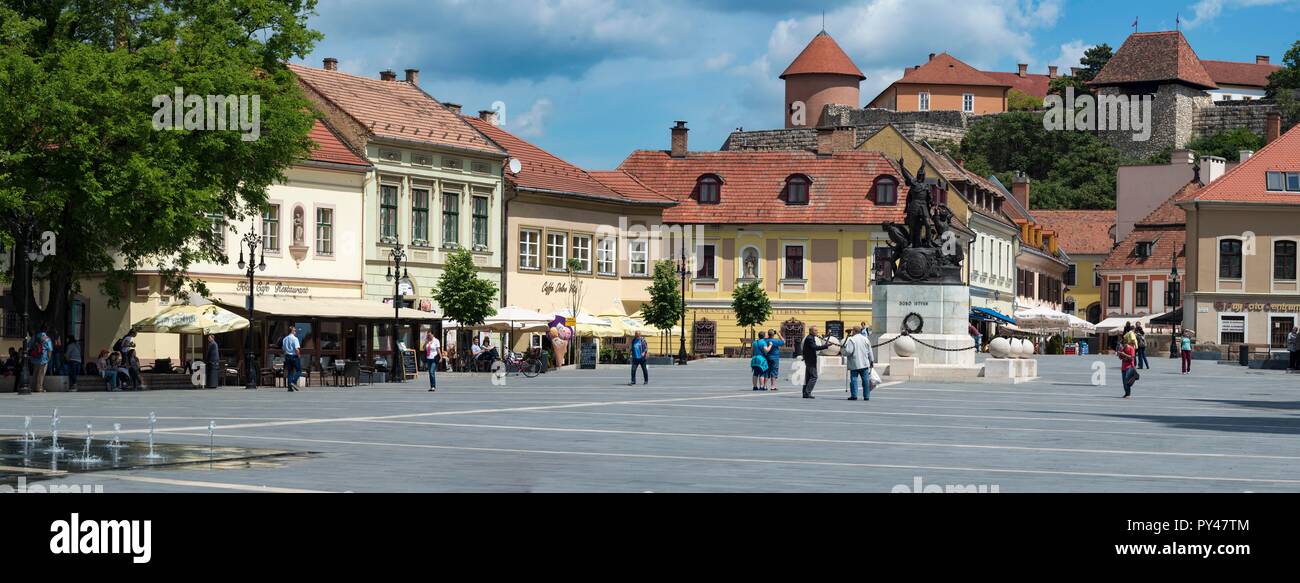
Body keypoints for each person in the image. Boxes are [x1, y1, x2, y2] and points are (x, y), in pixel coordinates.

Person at [843, 326, 875, 401]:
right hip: (864, 363)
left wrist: (844, 351)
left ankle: (854, 395)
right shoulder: (865, 339)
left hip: (854, 363)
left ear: (854, 331)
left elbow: (849, 351)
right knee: (866, 380)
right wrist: (871, 360)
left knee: (854, 379)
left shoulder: (852, 339)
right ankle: (866, 396)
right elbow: (870, 351)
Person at [800, 326, 831, 399]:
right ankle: (807, 393)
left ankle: (805, 393)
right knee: (814, 376)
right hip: (810, 360)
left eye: (817, 330)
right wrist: (825, 346)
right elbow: (815, 347)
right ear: (811, 331)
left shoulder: (810, 337)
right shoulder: (810, 338)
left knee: (808, 377)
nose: (817, 332)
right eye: (815, 330)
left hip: (809, 360)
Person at [282, 326, 302, 392]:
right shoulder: (295, 339)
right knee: (299, 371)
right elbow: (296, 349)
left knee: (290, 372)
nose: (295, 332)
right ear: (292, 331)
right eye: (295, 331)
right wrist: (299, 355)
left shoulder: (285, 339)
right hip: (294, 356)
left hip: (287, 356)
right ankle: (293, 382)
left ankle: (289, 387)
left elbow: (283, 349)